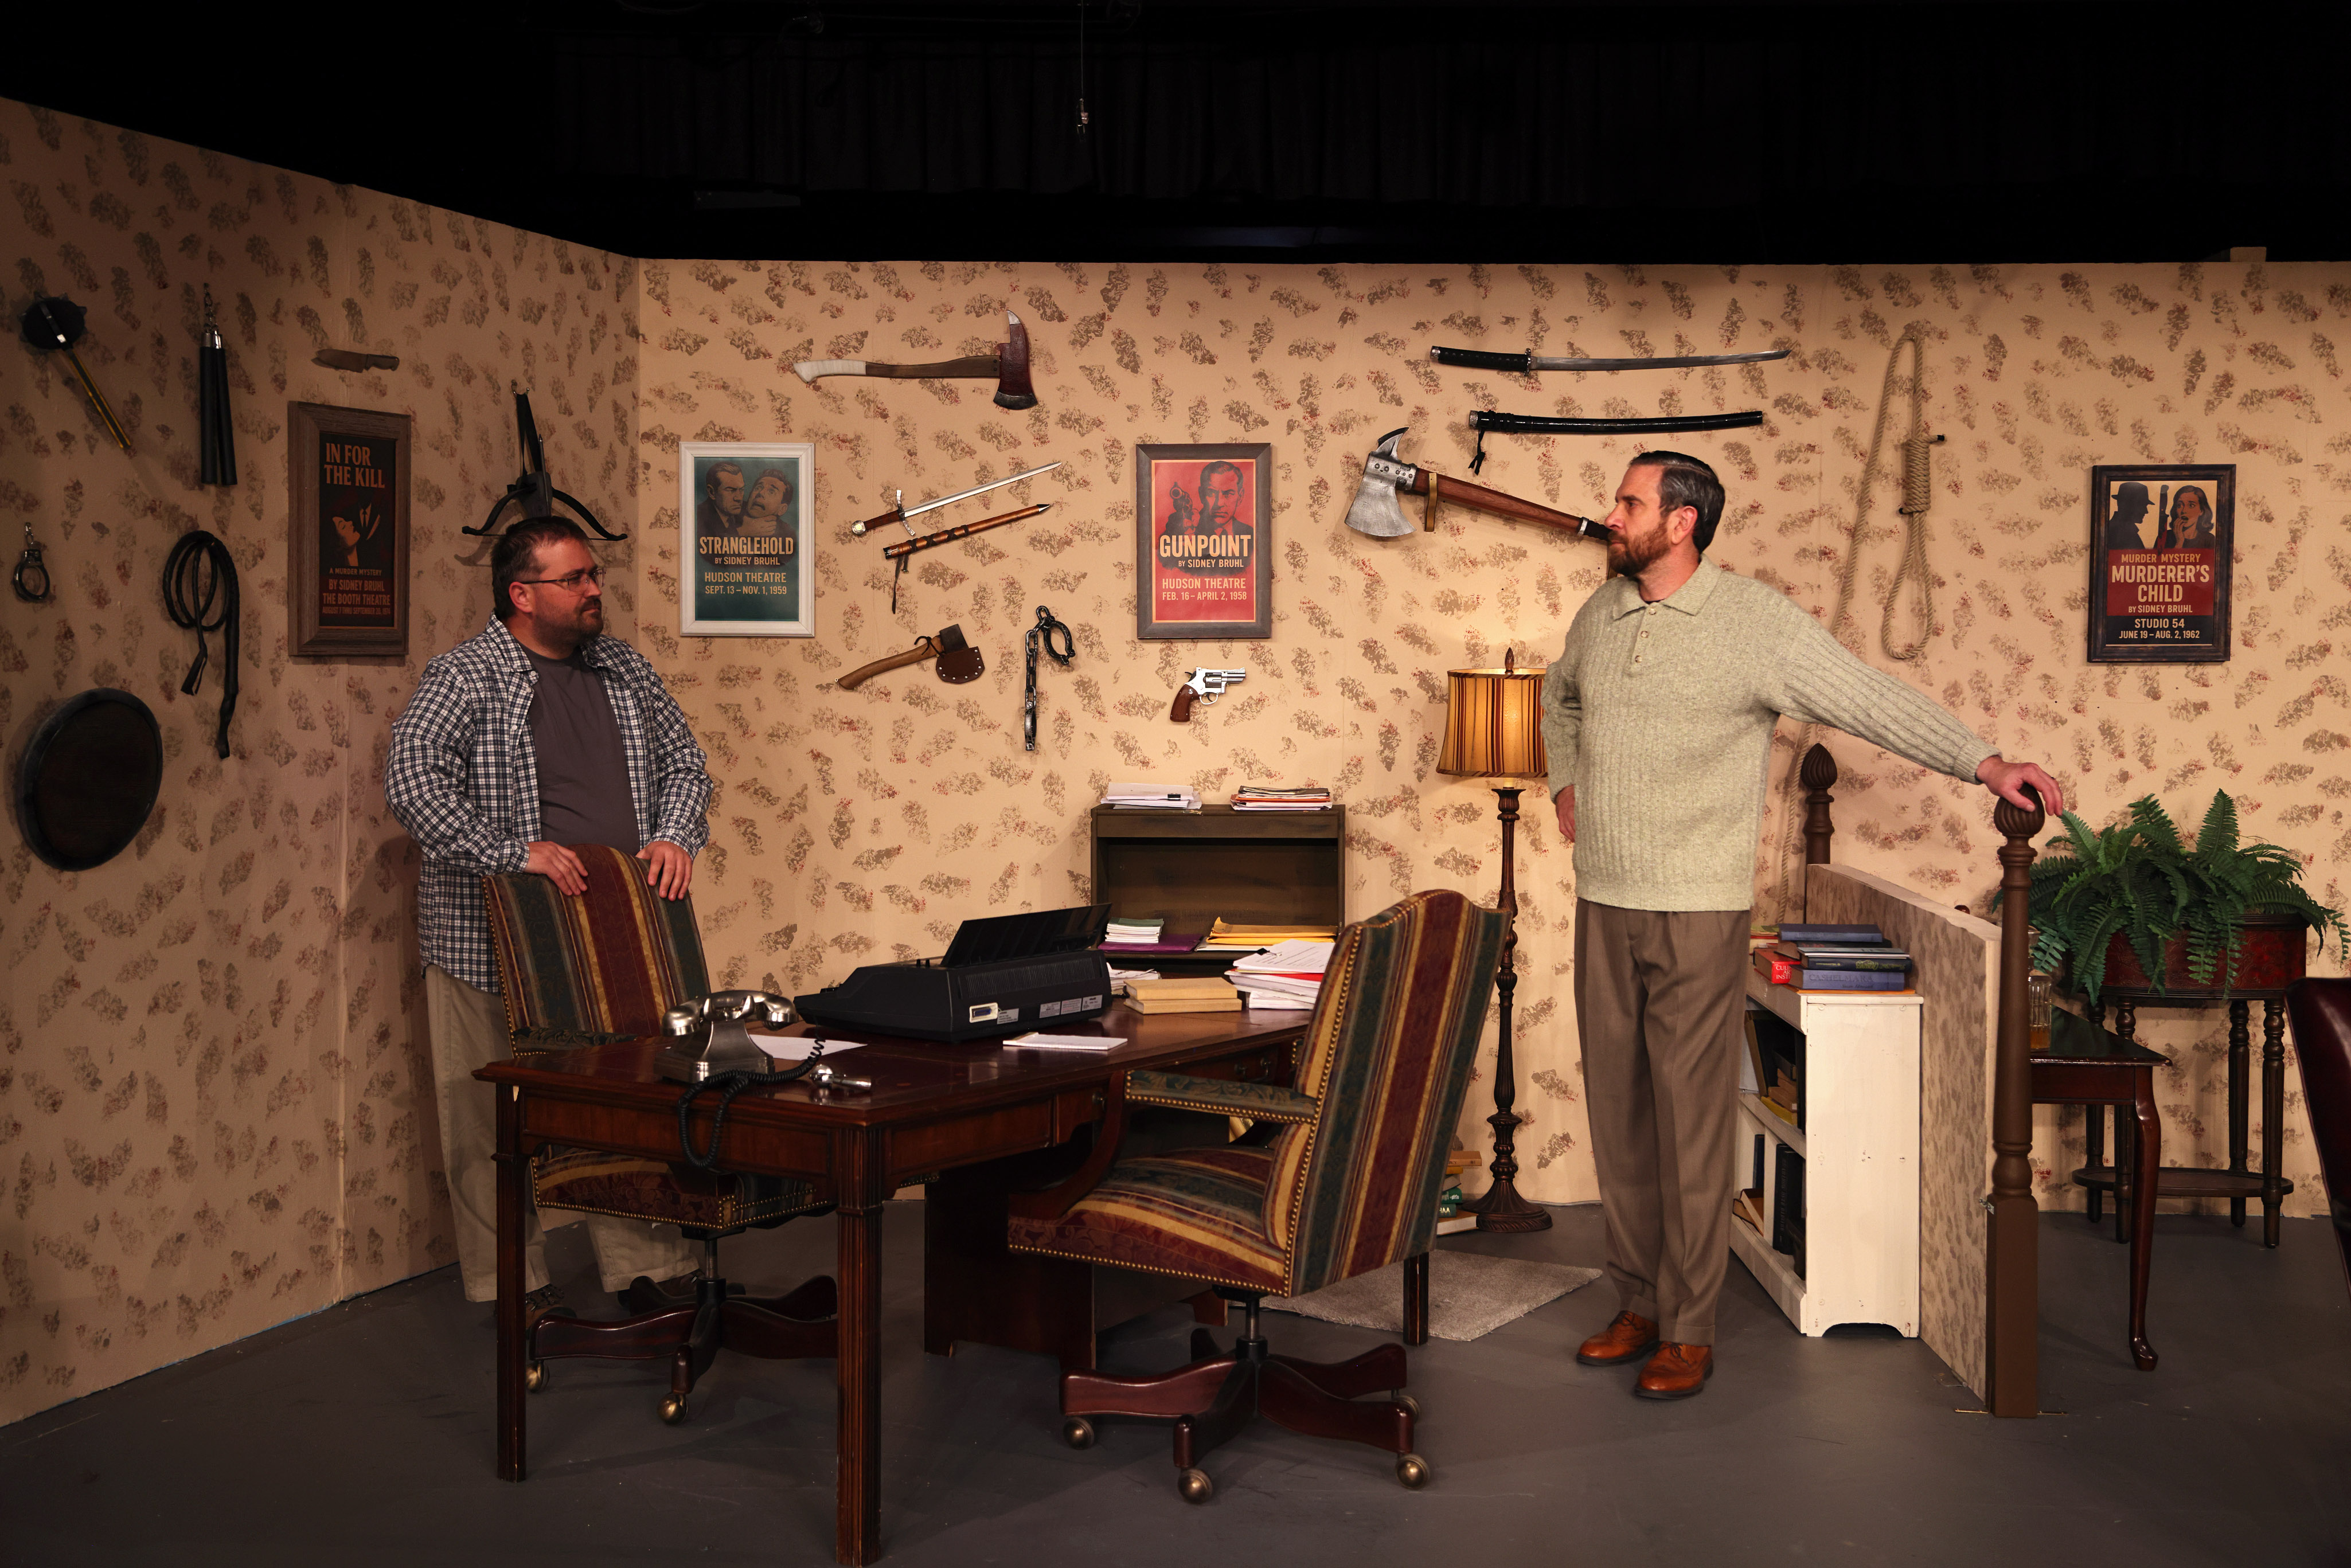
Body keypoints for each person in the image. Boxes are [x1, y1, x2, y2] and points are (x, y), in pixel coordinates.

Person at [1540, 451, 2064, 1401]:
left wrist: (1985, 763)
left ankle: (1688, 1326)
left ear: (1682, 521)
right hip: (1603, 898)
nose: (1612, 515)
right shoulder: (1601, 614)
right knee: (1620, 1114)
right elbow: (1559, 692)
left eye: (1629, 502)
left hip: (1698, 905)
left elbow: (1868, 696)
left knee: (1690, 1120)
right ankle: (1638, 1302)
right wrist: (1567, 779)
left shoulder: (1755, 624)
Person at [386, 518, 708, 1313]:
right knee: (487, 1124)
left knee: (626, 1105)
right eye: (574, 579)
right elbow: (413, 782)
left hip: (612, 935)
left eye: (593, 574)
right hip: (490, 941)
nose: (594, 589)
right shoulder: (465, 675)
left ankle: (651, 1272)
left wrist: (675, 832)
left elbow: (685, 763)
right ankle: (513, 1288)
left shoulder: (624, 668)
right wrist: (510, 851)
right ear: (521, 594)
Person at [697, 460, 747, 537]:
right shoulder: (698, 517)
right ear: (712, 492)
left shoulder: (747, 510)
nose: (739, 498)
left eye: (742, 490)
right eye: (730, 490)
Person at [2104, 480, 2153, 552]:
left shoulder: (2111, 530)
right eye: (2142, 506)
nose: (2146, 511)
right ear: (2128, 505)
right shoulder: (2123, 535)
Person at [2170, 484, 2217, 548]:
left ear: (2201, 511)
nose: (2184, 511)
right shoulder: (2165, 537)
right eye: (2180, 505)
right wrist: (2179, 543)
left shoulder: (2209, 539)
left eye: (2191, 505)